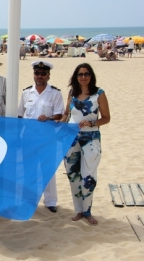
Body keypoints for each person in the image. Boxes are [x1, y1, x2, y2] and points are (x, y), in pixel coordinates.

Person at [58, 63, 110, 225]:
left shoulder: (99, 94)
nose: (83, 77)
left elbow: (106, 118)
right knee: (73, 175)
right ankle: (79, 210)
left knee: (88, 176)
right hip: (71, 138)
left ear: (91, 76)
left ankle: (88, 211)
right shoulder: (72, 93)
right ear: (76, 77)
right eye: (80, 74)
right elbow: (67, 113)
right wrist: (60, 125)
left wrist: (92, 123)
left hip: (91, 139)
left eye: (86, 74)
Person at [18, 61, 64, 213]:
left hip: (47, 139)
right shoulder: (26, 93)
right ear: (33, 74)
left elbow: (60, 114)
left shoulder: (55, 93)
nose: (40, 76)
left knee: (47, 170)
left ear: (48, 75)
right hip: (28, 138)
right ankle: (28, 199)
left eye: (43, 74)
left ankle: (50, 201)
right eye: (37, 73)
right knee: (28, 169)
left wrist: (50, 118)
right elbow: (20, 114)